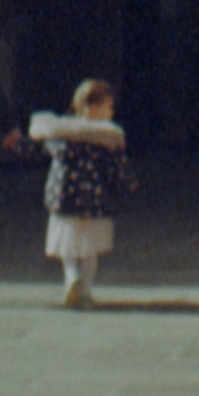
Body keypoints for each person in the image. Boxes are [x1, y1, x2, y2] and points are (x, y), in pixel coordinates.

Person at [28, 77, 126, 306]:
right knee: (90, 251)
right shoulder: (105, 137)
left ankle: (71, 277)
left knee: (68, 248)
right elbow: (117, 167)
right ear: (94, 108)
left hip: (65, 201)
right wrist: (125, 184)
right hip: (95, 201)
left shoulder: (61, 134)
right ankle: (85, 291)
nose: (111, 113)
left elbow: (42, 147)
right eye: (108, 107)